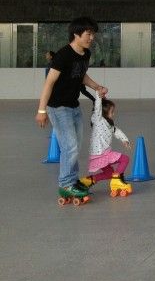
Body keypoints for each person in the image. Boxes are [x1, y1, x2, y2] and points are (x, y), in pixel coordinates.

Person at [35, 17, 106, 205]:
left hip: (73, 106)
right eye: (88, 34)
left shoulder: (85, 54)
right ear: (76, 34)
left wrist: (97, 87)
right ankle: (66, 184)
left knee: (75, 146)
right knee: (70, 147)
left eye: (93, 34)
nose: (91, 37)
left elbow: (81, 75)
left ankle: (72, 181)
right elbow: (49, 83)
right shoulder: (63, 55)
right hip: (58, 107)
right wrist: (41, 110)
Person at [78, 95, 132, 197]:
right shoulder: (98, 120)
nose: (113, 114)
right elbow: (98, 107)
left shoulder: (109, 124)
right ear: (104, 112)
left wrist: (124, 140)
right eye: (112, 112)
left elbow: (116, 131)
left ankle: (88, 180)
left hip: (101, 154)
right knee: (125, 159)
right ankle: (116, 180)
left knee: (109, 173)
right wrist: (99, 95)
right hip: (102, 153)